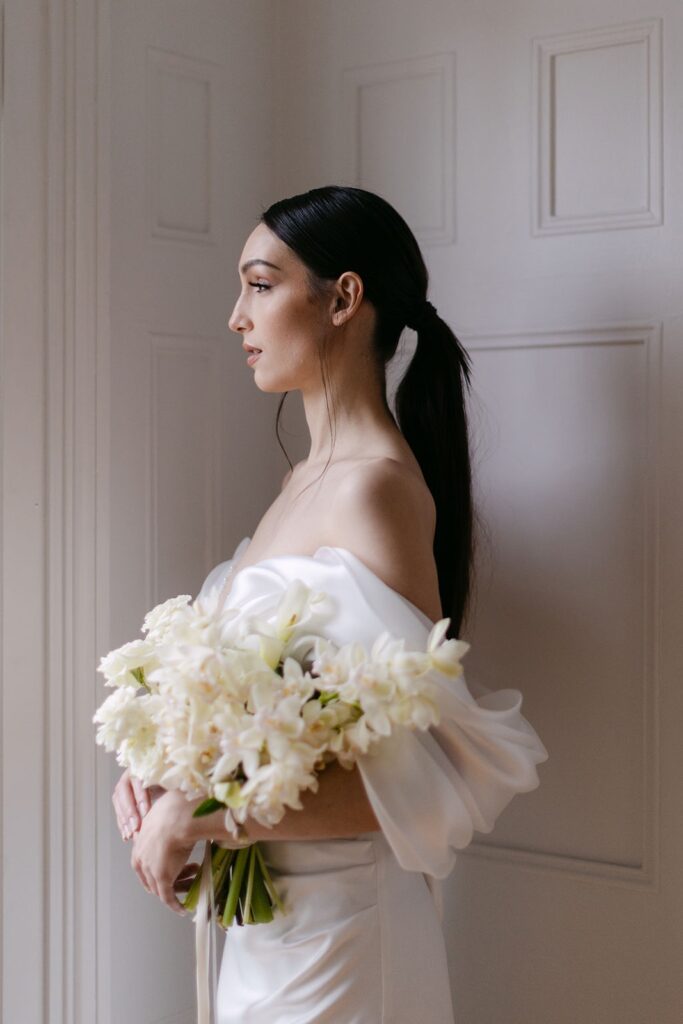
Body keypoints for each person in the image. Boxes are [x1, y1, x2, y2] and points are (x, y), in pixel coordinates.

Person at [112, 184, 549, 1022]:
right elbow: (275, 733)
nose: (237, 316)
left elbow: (421, 780)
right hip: (264, 928)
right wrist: (157, 768)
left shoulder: (376, 490)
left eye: (261, 284)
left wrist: (197, 818)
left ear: (344, 297)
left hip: (343, 941)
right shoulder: (298, 485)